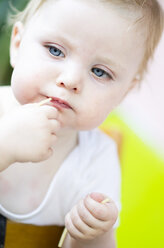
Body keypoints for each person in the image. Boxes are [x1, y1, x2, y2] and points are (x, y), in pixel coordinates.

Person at [0, 0, 163, 247]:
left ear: (124, 92)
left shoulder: (95, 160)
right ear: (18, 45)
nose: (71, 79)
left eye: (99, 72)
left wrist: (96, 233)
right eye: (55, 50)